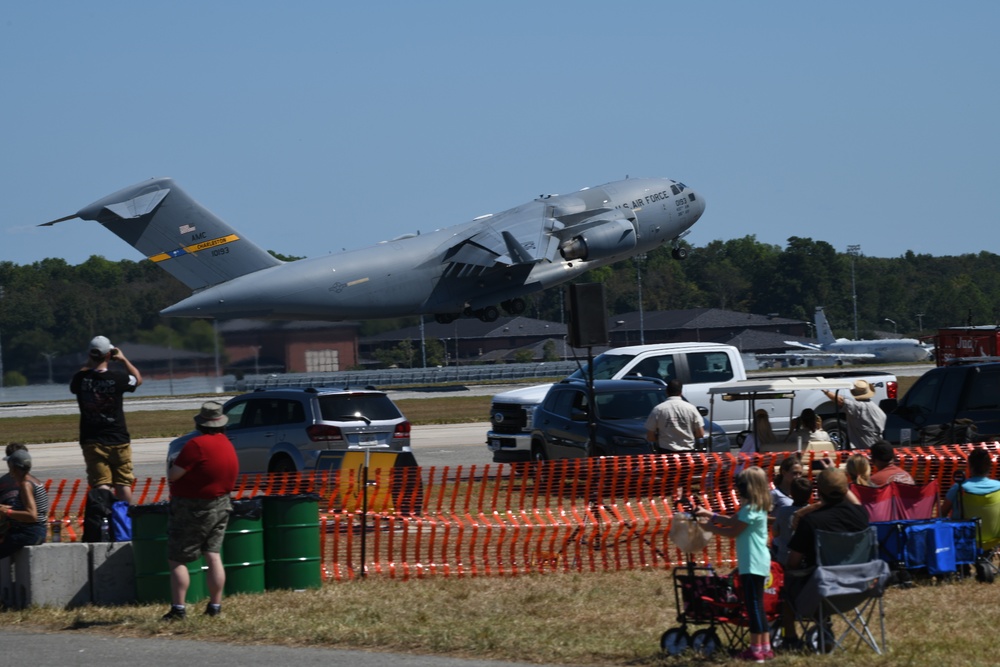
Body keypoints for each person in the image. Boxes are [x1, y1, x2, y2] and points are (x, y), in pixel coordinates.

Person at [162, 401, 239, 621]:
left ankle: (178, 608)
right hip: (222, 503)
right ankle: (215, 606)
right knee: (213, 555)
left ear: (201, 424)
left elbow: (174, 475)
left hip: (192, 506)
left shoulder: (196, 445)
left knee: (178, 558)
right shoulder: (227, 443)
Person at [782, 467, 869, 645]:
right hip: (858, 587)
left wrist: (810, 508)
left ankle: (789, 637)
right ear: (846, 490)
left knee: (785, 582)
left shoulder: (812, 521)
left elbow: (793, 563)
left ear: (818, 491)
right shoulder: (861, 515)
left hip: (822, 589)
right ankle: (823, 626)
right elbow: (852, 500)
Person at [696, 466, 774, 662]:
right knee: (758, 605)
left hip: (752, 562)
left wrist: (709, 527)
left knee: (753, 605)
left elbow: (732, 531)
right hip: (758, 561)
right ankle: (765, 647)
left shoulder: (750, 509)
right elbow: (732, 521)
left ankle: (756, 650)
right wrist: (710, 514)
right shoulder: (755, 507)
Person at [70, 335, 143, 504]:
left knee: (101, 483)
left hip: (92, 440)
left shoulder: (80, 379)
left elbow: (76, 381)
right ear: (109, 355)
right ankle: (125, 522)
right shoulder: (118, 378)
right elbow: (137, 380)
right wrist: (123, 359)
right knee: (123, 483)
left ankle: (103, 520)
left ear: (90, 355)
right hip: (117, 438)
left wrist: (89, 362)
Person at [0, 449, 50, 559]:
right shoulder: (33, 481)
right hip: (37, 531)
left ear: (14, 467)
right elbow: (27, 507)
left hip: (28, 533)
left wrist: (7, 512)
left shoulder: (25, 485)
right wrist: (6, 508)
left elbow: (32, 515)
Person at [822, 380, 885, 450]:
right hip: (876, 446)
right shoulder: (877, 409)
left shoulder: (859, 407)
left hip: (863, 448)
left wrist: (826, 392)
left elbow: (841, 401)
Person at [645, 379, 704, 453]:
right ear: (681, 392)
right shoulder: (691, 408)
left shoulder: (658, 409)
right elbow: (700, 434)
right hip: (688, 454)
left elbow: (650, 437)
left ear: (666, 392)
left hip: (665, 454)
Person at [940, 447, 1000, 518]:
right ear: (989, 466)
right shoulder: (998, 487)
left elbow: (942, 514)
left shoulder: (958, 487)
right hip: (992, 529)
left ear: (969, 466)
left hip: (965, 528)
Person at [772, 476, 813, 566]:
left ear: (791, 492)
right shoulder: (812, 512)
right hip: (805, 558)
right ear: (810, 494)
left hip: (784, 556)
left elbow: (775, 532)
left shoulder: (783, 511)